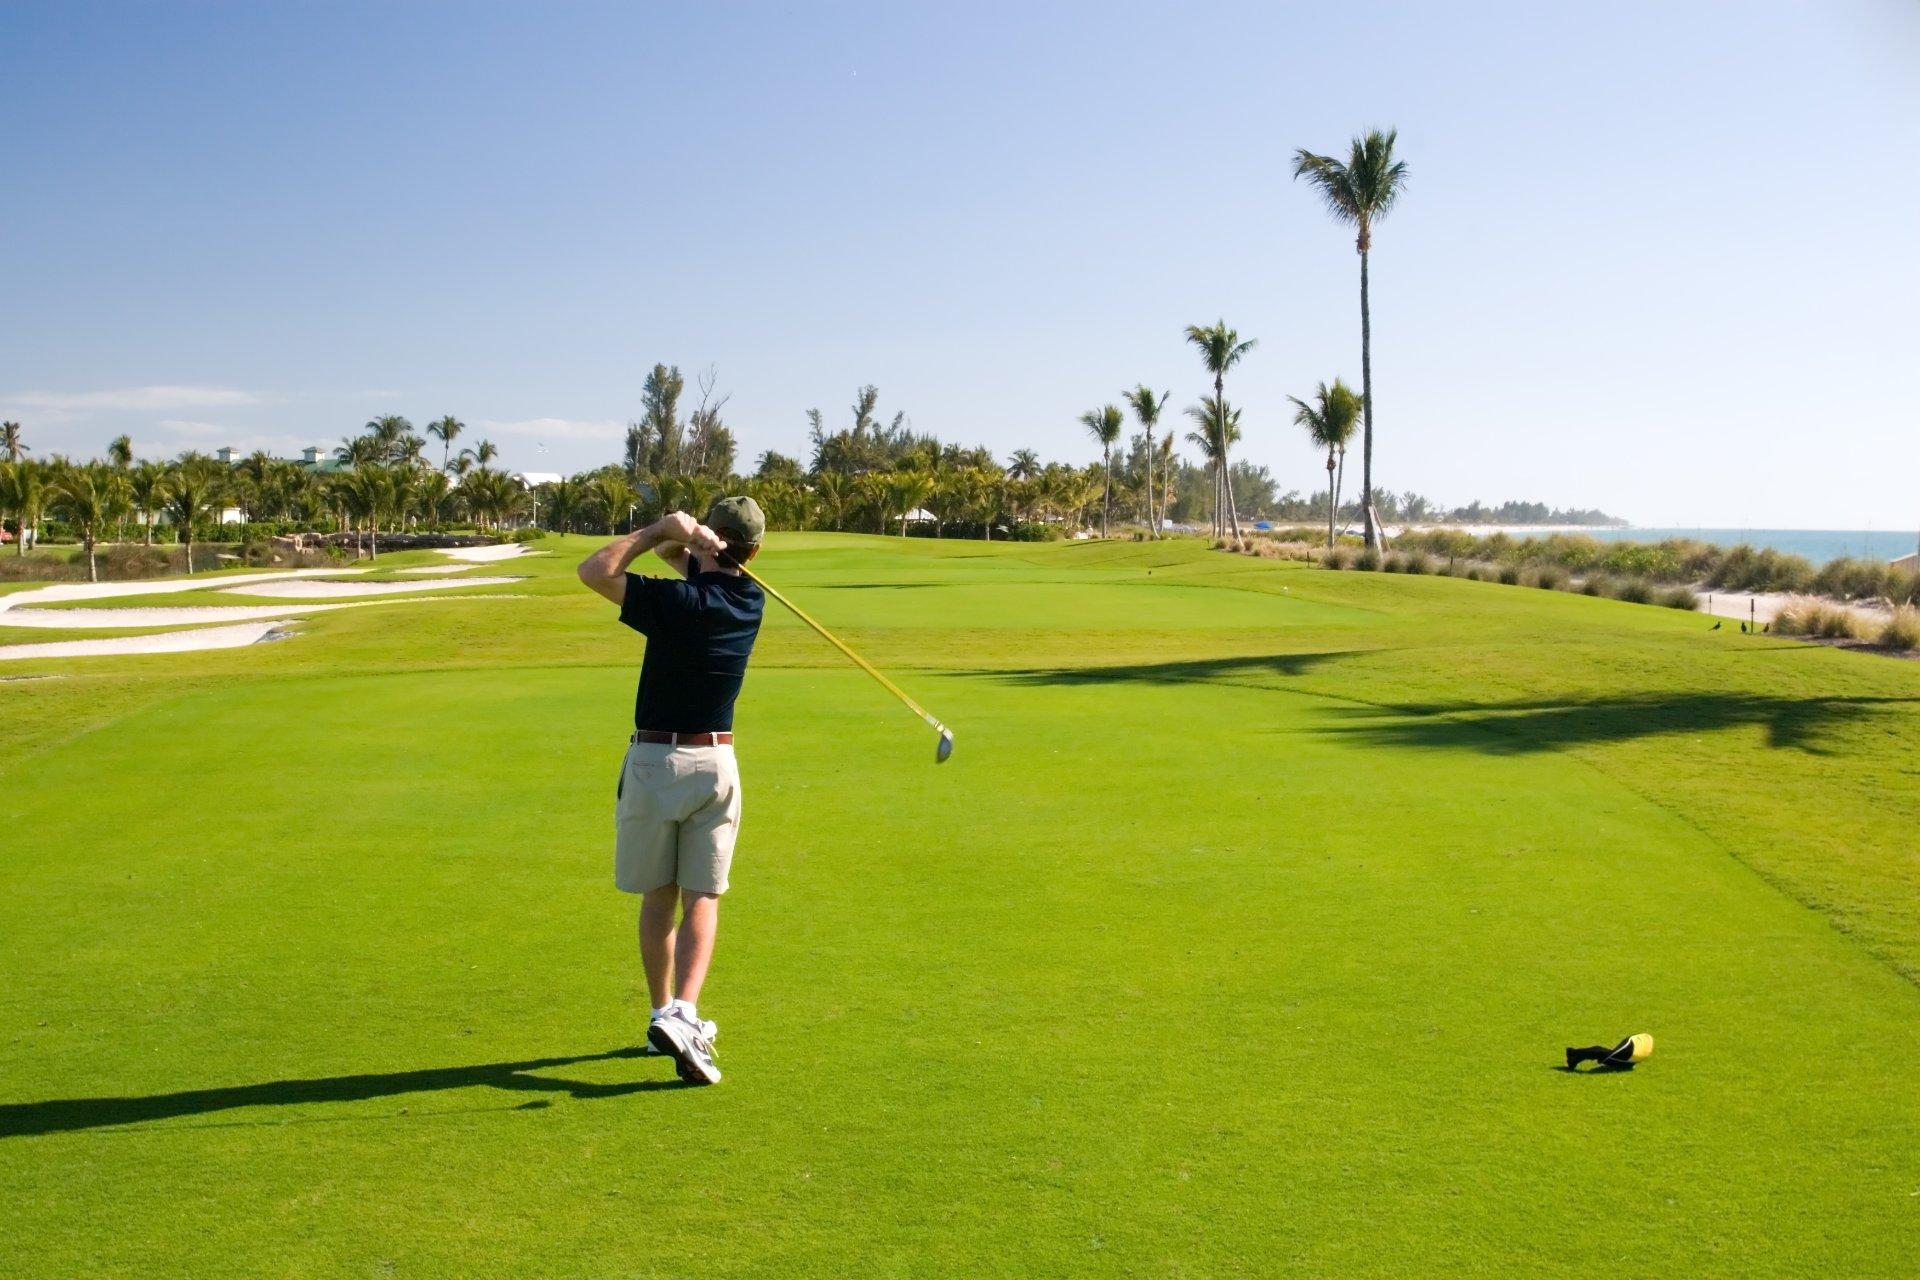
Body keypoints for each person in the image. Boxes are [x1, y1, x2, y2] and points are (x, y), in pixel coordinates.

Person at [575, 497, 767, 1085]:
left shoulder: (672, 602)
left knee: (658, 896)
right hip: (715, 763)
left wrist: (664, 528)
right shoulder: (750, 600)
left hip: (656, 760)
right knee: (701, 895)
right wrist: (695, 547)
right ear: (754, 553)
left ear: (712, 536)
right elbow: (683, 562)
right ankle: (681, 1013)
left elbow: (596, 570)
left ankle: (669, 1015)